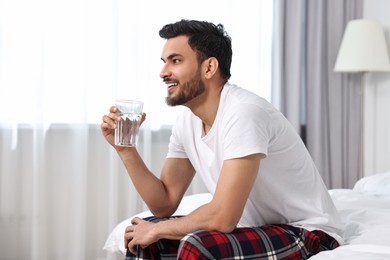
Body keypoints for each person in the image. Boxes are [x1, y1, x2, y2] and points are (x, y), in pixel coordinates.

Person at [101, 19, 344, 259]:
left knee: (196, 244)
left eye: (175, 61)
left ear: (209, 67)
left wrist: (158, 229)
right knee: (141, 237)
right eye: (164, 63)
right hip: (252, 228)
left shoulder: (244, 112)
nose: (163, 73)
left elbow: (223, 217)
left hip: (305, 230)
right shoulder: (187, 122)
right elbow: (164, 204)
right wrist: (125, 150)